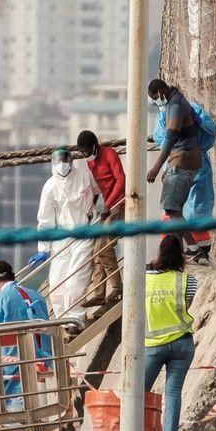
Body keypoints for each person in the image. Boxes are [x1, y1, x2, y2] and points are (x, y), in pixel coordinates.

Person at [31, 148, 102, 320]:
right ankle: (63, 320)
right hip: (61, 240)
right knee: (56, 284)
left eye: (65, 160)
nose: (62, 165)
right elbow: (45, 220)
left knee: (76, 281)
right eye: (58, 161)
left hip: (84, 233)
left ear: (71, 161)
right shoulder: (50, 186)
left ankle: (76, 318)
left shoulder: (84, 176)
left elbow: (99, 192)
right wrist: (43, 248)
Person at [143, 234, 198, 431]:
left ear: (160, 252)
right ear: (181, 256)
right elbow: (187, 304)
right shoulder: (188, 281)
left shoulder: (145, 279)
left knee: (139, 394)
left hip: (154, 345)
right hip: (182, 344)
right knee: (173, 393)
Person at [153, 98, 216, 265]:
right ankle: (196, 251)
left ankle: (195, 251)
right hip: (187, 165)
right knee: (188, 210)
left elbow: (164, 140)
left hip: (181, 166)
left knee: (176, 211)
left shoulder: (173, 118)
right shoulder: (188, 113)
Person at [0, 260, 52, 411]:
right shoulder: (36, 296)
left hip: (11, 365)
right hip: (43, 361)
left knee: (14, 412)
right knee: (40, 407)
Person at [146, 79, 204, 254]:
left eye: (156, 97)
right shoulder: (176, 102)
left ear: (162, 91)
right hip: (181, 161)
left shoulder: (176, 107)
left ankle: (194, 249)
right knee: (174, 210)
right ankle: (181, 250)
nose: (157, 102)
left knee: (172, 208)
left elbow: (170, 138)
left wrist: (157, 167)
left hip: (183, 161)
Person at [77, 130, 125, 308]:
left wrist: (109, 203)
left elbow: (121, 180)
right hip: (106, 207)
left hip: (119, 204)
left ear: (94, 146)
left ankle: (116, 287)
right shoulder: (90, 163)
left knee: (103, 247)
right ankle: (98, 292)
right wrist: (91, 207)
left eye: (86, 151)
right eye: (82, 152)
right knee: (96, 249)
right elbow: (97, 187)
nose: (85, 155)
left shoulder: (109, 154)